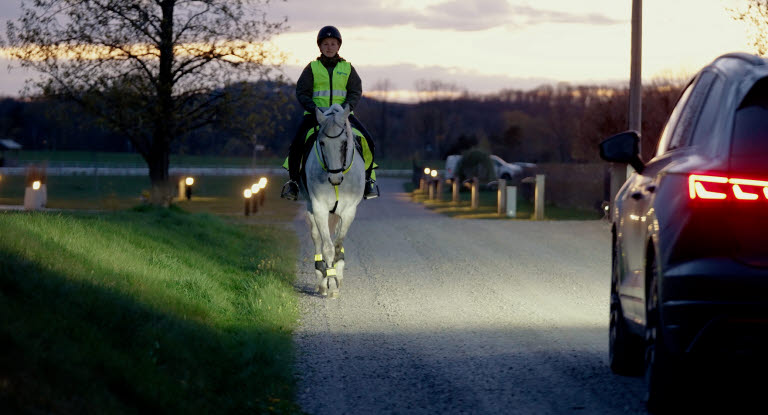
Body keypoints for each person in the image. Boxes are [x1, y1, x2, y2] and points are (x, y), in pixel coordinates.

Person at [281, 25, 379, 200]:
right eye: (325, 44)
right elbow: (302, 92)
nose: (329, 47)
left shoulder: (348, 68)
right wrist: (314, 109)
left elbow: (355, 91)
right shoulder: (312, 68)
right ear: (320, 46)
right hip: (316, 116)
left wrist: (347, 108)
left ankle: (367, 181)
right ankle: (294, 183)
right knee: (296, 145)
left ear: (338, 46)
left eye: (333, 43)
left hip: (343, 116)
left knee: (368, 142)